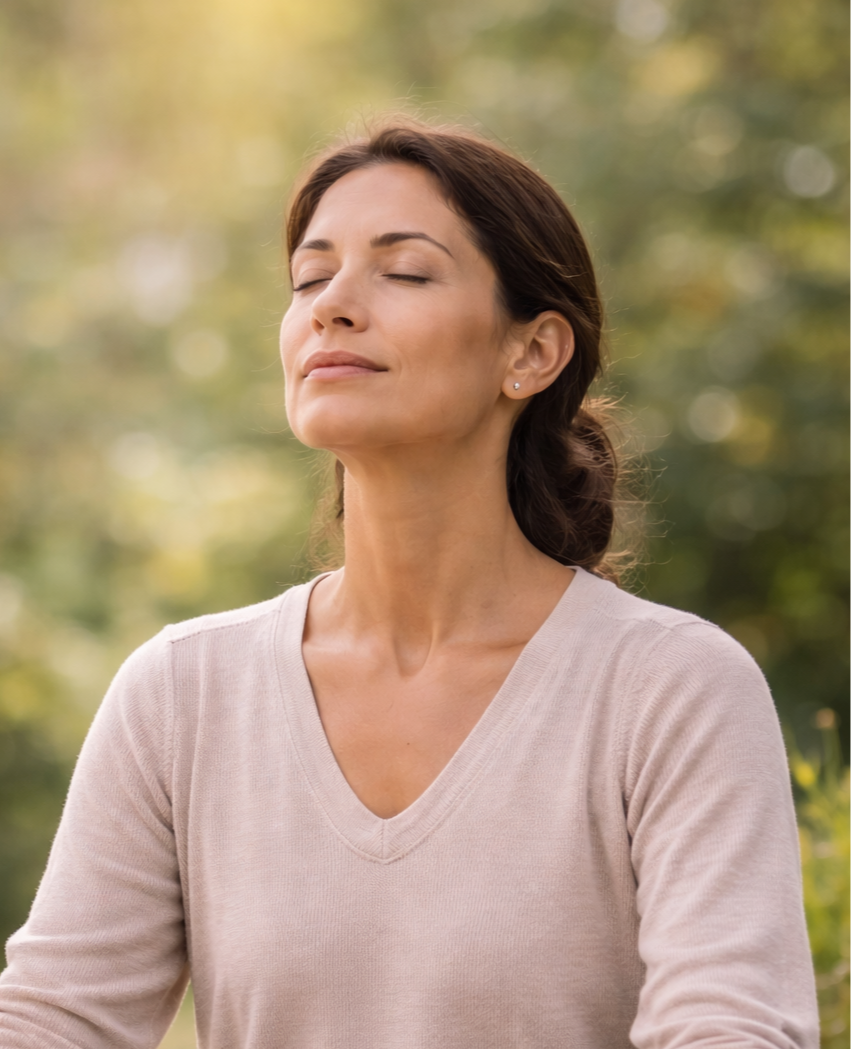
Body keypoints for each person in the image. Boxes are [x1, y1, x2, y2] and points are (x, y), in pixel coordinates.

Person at [0, 119, 818, 1048]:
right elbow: (53, 1022)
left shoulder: (670, 687)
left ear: (531, 353)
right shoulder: (181, 692)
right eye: (311, 277)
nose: (331, 306)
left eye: (405, 272)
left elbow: (729, 1028)